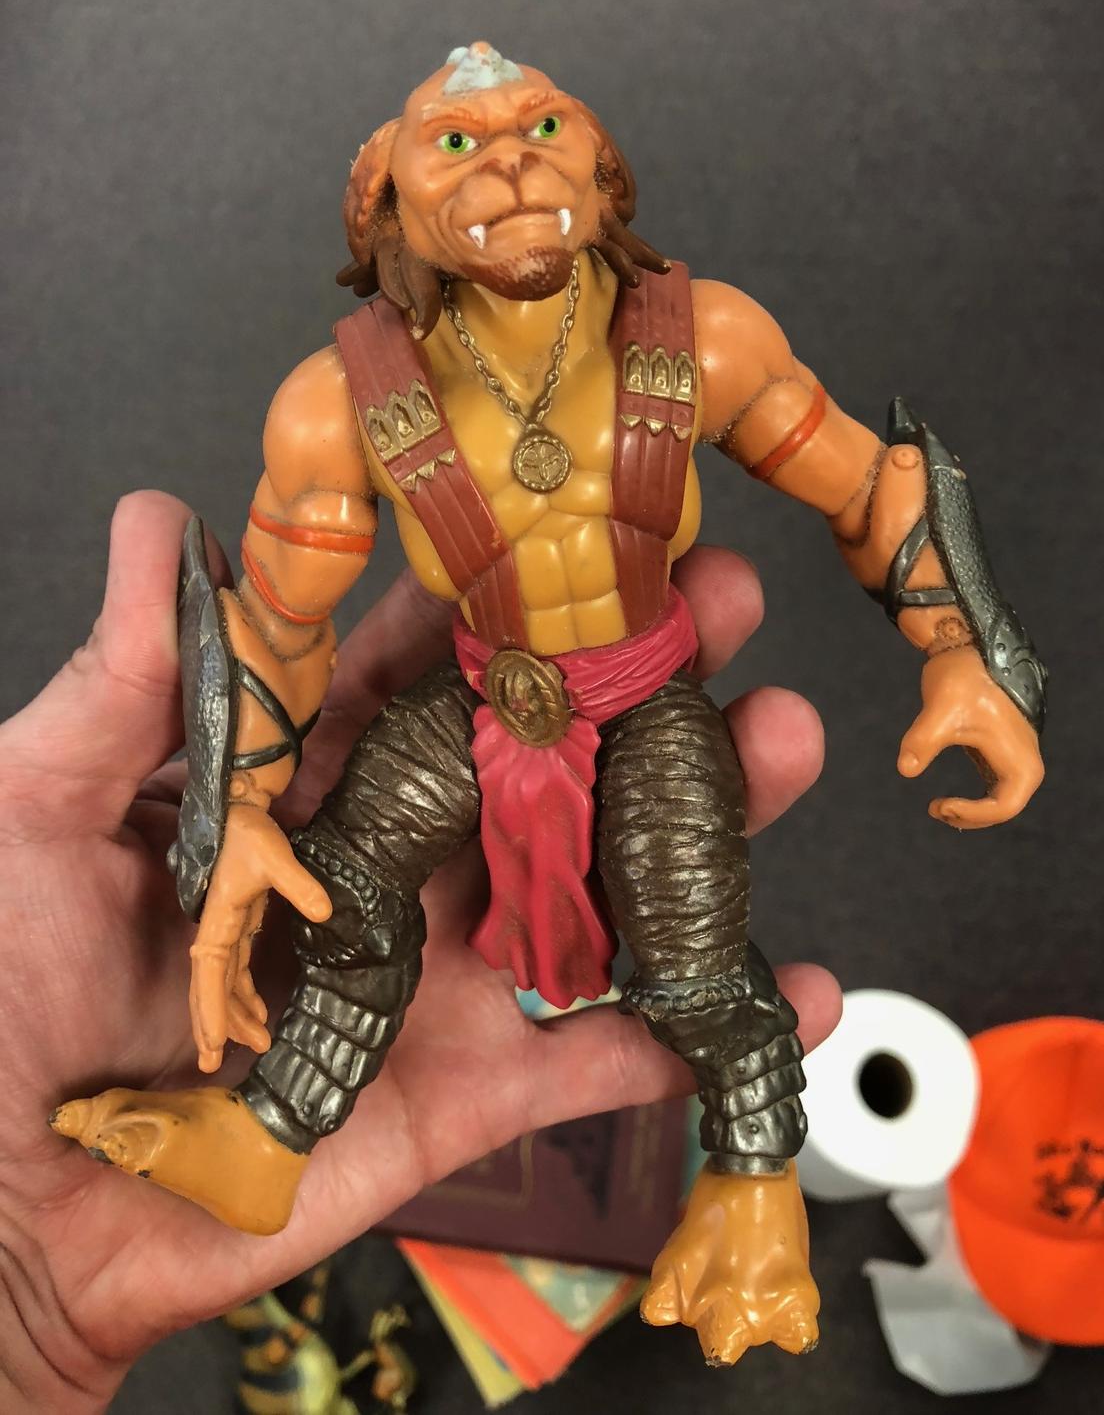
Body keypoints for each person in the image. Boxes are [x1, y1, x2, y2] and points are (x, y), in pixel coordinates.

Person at [0, 489, 838, 1411]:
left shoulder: (685, 385)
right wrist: (239, 800)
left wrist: (955, 647)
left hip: (645, 700)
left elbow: (867, 487)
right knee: (341, 881)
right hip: (479, 687)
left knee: (690, 950)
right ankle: (270, 1134)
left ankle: (756, 1172)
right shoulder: (372, 407)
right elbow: (283, 598)